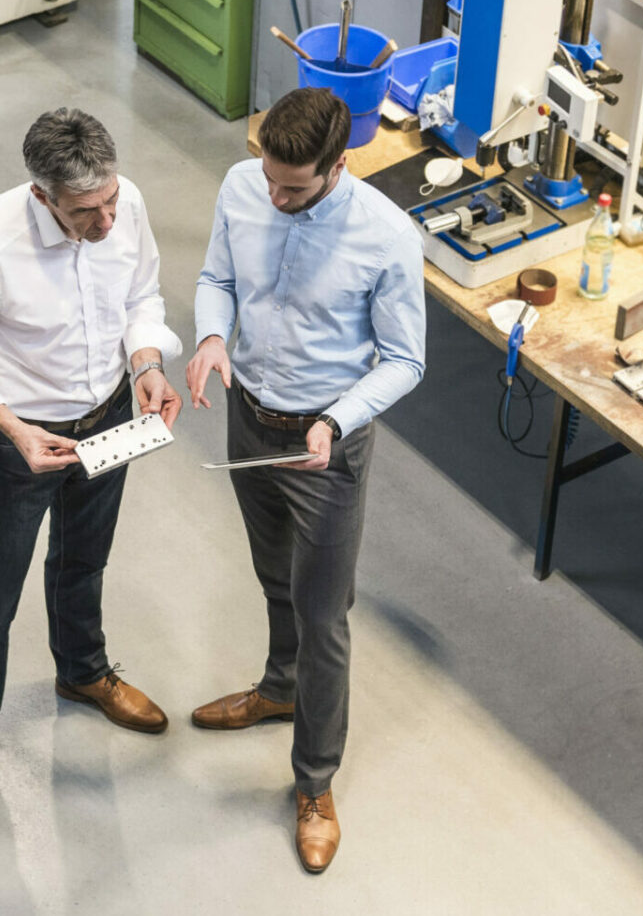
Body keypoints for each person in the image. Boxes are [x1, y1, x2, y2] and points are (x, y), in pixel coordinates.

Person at [0, 108, 185, 831]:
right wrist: (11, 428)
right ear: (43, 196)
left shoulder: (121, 206)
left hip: (106, 417)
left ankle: (83, 672)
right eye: (83, 213)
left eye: (109, 203)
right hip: (22, 440)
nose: (105, 223)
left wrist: (148, 365)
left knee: (83, 563)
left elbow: (142, 296)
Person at [183, 88, 426, 873]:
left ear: (338, 165)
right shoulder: (242, 187)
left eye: (294, 187)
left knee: (324, 614)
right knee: (272, 574)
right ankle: (278, 688)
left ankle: (314, 782)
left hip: (326, 446)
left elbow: (405, 360)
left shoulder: (386, 236)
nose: (276, 196)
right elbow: (217, 277)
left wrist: (338, 419)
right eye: (269, 178)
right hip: (250, 418)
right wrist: (214, 337)